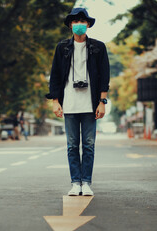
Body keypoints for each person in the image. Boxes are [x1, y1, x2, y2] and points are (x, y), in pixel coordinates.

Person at [45, 8, 110, 196]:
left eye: (82, 21)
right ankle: (75, 182)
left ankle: (86, 182)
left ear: (88, 24)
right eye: (75, 21)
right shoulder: (62, 47)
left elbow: (105, 75)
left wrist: (102, 101)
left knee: (89, 145)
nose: (79, 24)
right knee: (72, 145)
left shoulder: (98, 47)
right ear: (70, 25)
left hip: (90, 103)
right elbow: (55, 75)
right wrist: (55, 101)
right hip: (70, 103)